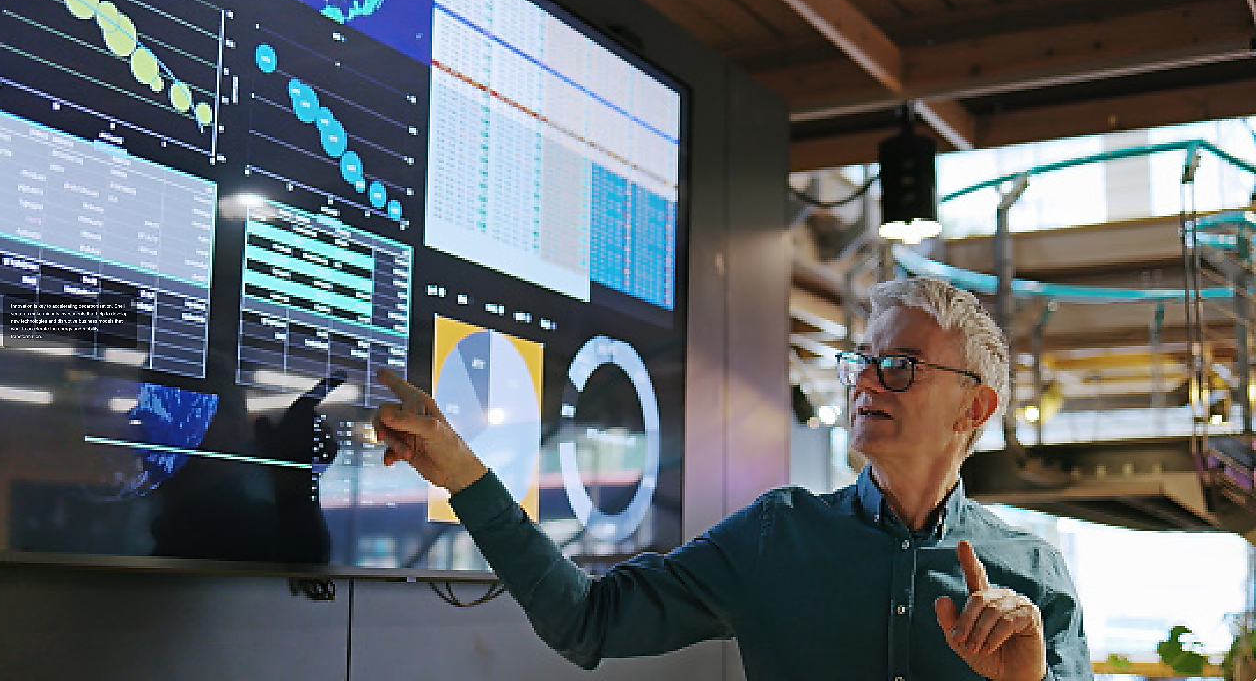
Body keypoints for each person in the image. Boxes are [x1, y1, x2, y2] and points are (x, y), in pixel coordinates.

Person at [371, 275, 1093, 680]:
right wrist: (466, 478)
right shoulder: (779, 534)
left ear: (975, 407)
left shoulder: (1034, 578)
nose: (868, 382)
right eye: (863, 363)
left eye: (899, 366)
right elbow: (586, 620)